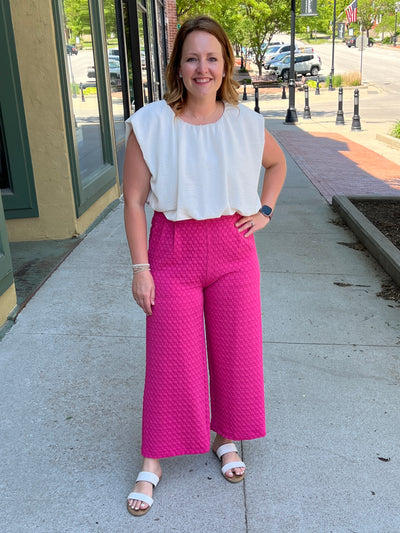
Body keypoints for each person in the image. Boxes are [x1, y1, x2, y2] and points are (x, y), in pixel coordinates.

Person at [123, 15, 286, 516]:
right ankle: (153, 459)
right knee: (172, 356)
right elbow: (132, 201)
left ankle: (227, 436)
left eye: (212, 58)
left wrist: (264, 211)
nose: (202, 68)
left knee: (236, 352)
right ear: (178, 66)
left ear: (226, 65)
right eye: (192, 58)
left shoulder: (245, 122)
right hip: (172, 250)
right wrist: (140, 268)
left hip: (233, 250)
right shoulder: (150, 123)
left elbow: (276, 166)